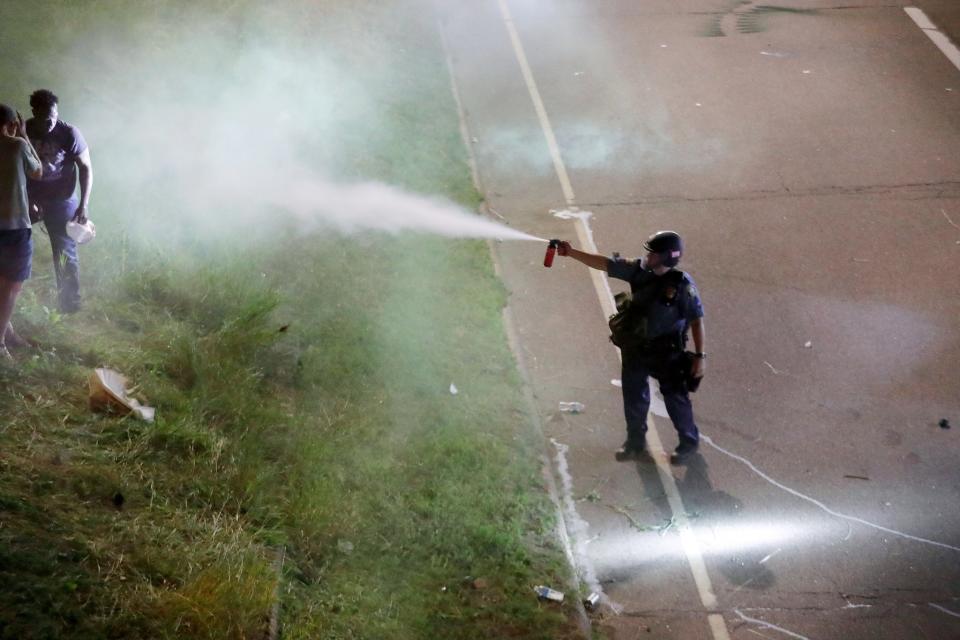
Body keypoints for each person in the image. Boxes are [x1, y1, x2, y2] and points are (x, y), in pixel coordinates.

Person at [556, 231, 706, 464]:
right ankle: (635, 442)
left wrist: (700, 356)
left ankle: (688, 442)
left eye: (653, 254)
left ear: (668, 257)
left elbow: (697, 319)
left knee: (675, 398)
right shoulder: (639, 271)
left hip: (667, 352)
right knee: (634, 396)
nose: (648, 257)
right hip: (637, 347)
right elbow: (605, 263)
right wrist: (571, 252)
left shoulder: (682, 284)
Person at [26, 89, 92, 313]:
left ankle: (69, 303)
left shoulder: (69, 133)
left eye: (53, 117)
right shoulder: (25, 130)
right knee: (10, 237)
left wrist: (83, 205)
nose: (51, 124)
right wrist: (29, 197)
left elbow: (85, 168)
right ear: (34, 112)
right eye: (45, 119)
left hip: (61, 198)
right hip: (30, 195)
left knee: (64, 250)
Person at [0, 104, 43, 361]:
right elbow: (38, 171)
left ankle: (7, 331)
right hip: (15, 228)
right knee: (11, 287)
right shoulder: (17, 145)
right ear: (13, 124)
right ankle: (0, 345)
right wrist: (25, 136)